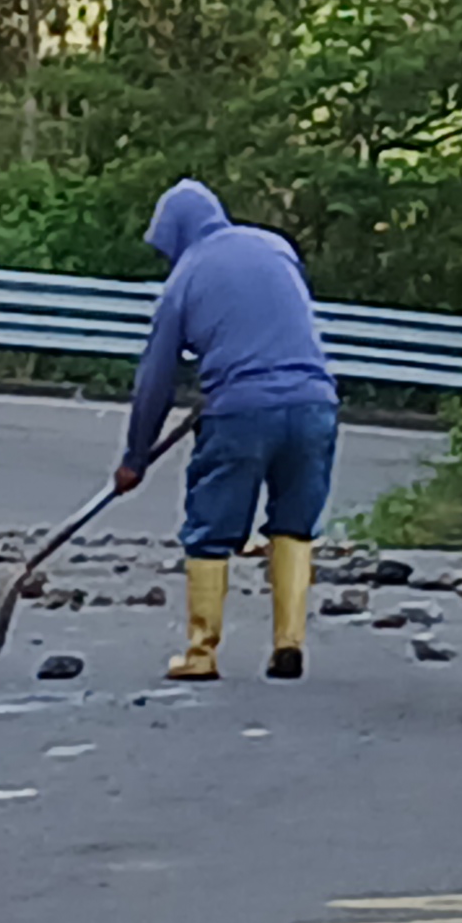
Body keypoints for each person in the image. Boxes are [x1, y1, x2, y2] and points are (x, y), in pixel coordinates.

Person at [118, 180, 340, 683]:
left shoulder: (184, 279)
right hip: (314, 404)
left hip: (241, 411)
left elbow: (155, 380)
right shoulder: (275, 246)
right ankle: (288, 642)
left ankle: (202, 652)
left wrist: (135, 456)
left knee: (211, 527)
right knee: (294, 524)